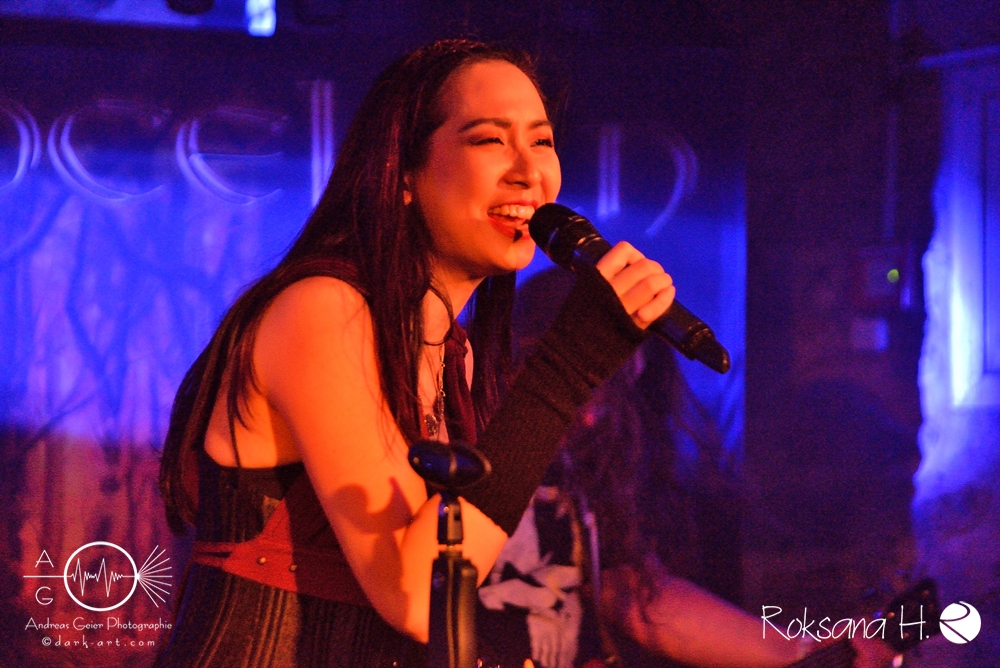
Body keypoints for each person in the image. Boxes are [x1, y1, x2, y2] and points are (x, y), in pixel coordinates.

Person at [155, 39, 676, 668]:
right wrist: (567, 367)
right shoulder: (321, 310)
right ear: (404, 173)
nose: (528, 171)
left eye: (541, 141)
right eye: (490, 139)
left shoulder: (453, 354)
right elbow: (414, 594)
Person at [476, 268, 901, 668]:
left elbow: (642, 601)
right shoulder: (463, 436)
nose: (591, 418)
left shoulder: (583, 466)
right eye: (588, 390)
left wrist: (798, 649)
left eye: (610, 398)